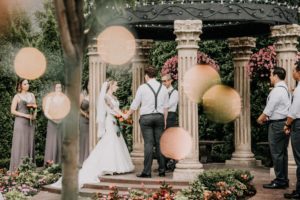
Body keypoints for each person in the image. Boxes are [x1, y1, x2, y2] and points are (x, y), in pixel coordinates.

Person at [52, 80, 134, 188]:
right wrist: (124, 116)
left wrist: (122, 115)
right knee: (110, 141)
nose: (117, 87)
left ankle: (115, 165)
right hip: (110, 121)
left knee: (114, 142)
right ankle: (108, 166)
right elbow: (113, 109)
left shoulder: (113, 97)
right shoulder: (106, 97)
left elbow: (116, 109)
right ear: (110, 86)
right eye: (116, 85)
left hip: (115, 121)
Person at [125, 66, 169, 178]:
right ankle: (162, 170)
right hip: (159, 117)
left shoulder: (142, 87)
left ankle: (147, 172)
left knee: (148, 144)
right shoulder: (163, 88)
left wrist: (127, 114)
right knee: (160, 144)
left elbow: (135, 104)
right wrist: (164, 121)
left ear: (146, 76)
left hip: (146, 118)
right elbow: (166, 107)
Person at [257, 67, 290, 189]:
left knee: (276, 153)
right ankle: (283, 179)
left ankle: (280, 180)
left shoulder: (277, 91)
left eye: (271, 75)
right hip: (283, 123)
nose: (270, 78)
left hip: (277, 125)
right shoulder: (284, 89)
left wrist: (260, 119)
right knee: (282, 153)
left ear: (276, 76)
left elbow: (269, 108)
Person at [10, 79, 37, 171]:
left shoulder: (32, 95)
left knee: (29, 142)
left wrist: (34, 115)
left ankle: (29, 168)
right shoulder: (17, 96)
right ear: (20, 86)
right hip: (20, 122)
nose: (27, 85)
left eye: (28, 83)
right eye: (25, 84)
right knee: (21, 143)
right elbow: (12, 111)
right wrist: (25, 115)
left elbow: (35, 107)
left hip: (30, 123)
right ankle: (18, 168)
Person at [283, 63, 300, 199]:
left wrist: (287, 124)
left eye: (294, 70)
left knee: (299, 159)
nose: (293, 73)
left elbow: (294, 111)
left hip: (298, 124)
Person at [161, 74, 178, 172]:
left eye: (165, 81)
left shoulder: (174, 92)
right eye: (162, 81)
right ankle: (164, 164)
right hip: (162, 116)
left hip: (170, 117)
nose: (163, 83)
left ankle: (172, 163)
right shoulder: (162, 92)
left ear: (170, 81)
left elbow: (168, 105)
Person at [44, 82, 63, 165]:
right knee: (52, 142)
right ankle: (50, 163)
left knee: (60, 141)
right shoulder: (50, 99)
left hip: (61, 123)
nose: (59, 89)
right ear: (54, 89)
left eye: (60, 87)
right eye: (57, 87)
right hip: (52, 123)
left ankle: (60, 163)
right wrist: (53, 119)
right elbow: (46, 111)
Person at [79, 81, 90, 165]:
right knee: (84, 140)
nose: (90, 86)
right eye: (89, 84)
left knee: (91, 140)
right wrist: (86, 115)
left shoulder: (97, 95)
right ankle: (82, 161)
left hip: (93, 122)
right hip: (83, 120)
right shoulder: (83, 95)